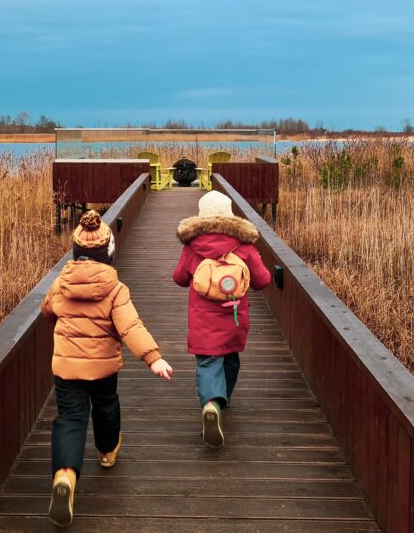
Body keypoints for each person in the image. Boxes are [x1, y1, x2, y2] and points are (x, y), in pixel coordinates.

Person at [42, 210, 173, 527]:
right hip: (103, 368)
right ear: (109, 255)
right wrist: (152, 357)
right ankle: (106, 451)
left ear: (77, 253)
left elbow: (48, 311)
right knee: (105, 407)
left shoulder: (61, 284)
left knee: (70, 419)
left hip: (67, 367)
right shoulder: (116, 290)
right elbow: (130, 327)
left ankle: (65, 475)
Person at [173, 190, 271, 448]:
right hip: (234, 318)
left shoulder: (193, 247)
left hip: (203, 321)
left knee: (208, 362)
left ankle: (211, 403)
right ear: (230, 214)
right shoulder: (245, 246)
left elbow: (179, 278)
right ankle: (221, 399)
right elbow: (263, 281)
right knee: (230, 360)